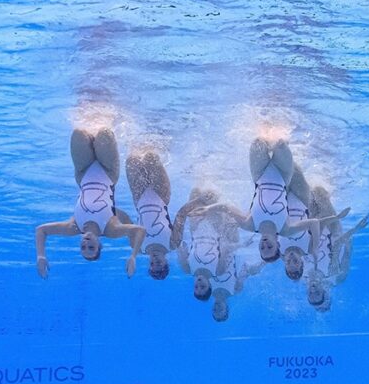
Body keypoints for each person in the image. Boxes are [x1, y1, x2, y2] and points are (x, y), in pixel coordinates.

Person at [192, 138, 327, 267]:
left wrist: (208, 209)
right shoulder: (285, 229)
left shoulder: (249, 224)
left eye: (262, 248)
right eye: (269, 247)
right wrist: (314, 248)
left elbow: (226, 207)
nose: (265, 244)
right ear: (278, 244)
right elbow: (314, 223)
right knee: (279, 144)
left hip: (259, 173)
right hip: (283, 175)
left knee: (259, 141)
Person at [34, 128, 145, 279]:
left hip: (83, 172)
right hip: (108, 172)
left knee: (78, 133)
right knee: (104, 133)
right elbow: (139, 230)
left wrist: (41, 256)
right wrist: (133, 256)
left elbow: (41, 230)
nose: (86, 243)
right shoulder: (110, 230)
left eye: (83, 247)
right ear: (99, 245)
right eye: (91, 247)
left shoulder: (73, 227)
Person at [171, 187, 246, 302]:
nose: (199, 283)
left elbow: (180, 245)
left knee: (197, 189)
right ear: (210, 286)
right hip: (215, 227)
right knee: (212, 193)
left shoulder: (187, 268)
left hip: (195, 226)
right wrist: (239, 242)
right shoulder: (218, 271)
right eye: (203, 287)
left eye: (196, 287)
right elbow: (225, 248)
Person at [304, 185, 369, 311]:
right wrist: (354, 231)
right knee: (320, 193)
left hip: (315, 234)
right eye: (317, 293)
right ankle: (328, 178)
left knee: (309, 198)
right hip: (333, 234)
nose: (313, 290)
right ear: (324, 292)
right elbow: (341, 249)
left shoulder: (300, 275)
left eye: (310, 294)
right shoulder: (333, 275)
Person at [125, 148, 174, 280]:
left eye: (152, 263)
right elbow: (181, 215)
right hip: (161, 196)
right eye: (158, 263)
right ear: (166, 262)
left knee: (132, 159)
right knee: (151, 157)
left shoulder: (138, 247)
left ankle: (136, 137)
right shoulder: (172, 244)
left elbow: (127, 222)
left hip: (139, 197)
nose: (154, 260)